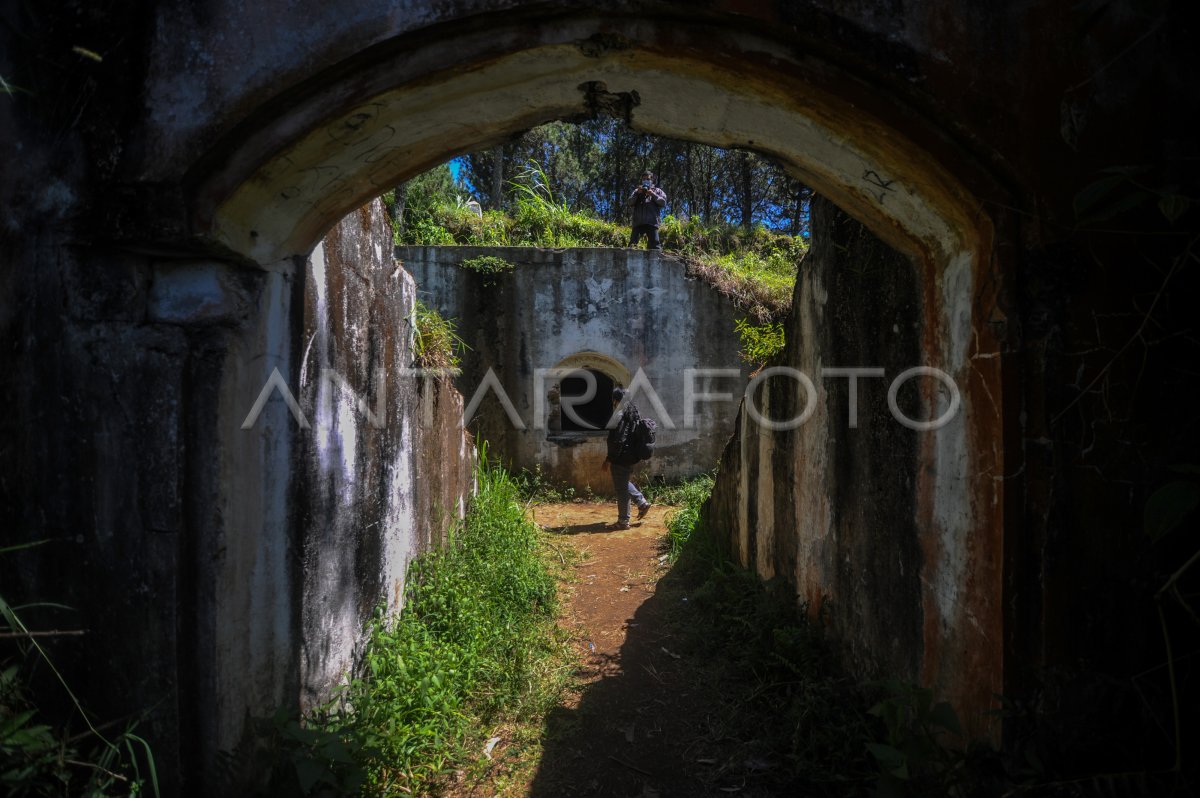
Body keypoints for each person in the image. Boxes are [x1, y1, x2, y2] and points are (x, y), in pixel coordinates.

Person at [602, 387, 652, 529]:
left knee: (621, 489)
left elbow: (617, 441)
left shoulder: (619, 415)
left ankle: (623, 521)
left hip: (621, 457)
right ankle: (641, 502)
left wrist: (609, 459)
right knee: (623, 481)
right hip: (631, 455)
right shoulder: (633, 413)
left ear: (615, 400)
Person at [626, 170, 667, 250]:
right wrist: (637, 193)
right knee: (632, 246)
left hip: (652, 222)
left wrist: (652, 194)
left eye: (648, 179)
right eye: (644, 179)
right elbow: (630, 202)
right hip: (638, 223)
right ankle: (631, 261)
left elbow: (663, 203)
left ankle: (655, 262)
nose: (646, 181)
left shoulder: (657, 191)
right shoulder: (636, 191)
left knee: (655, 246)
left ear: (651, 180)